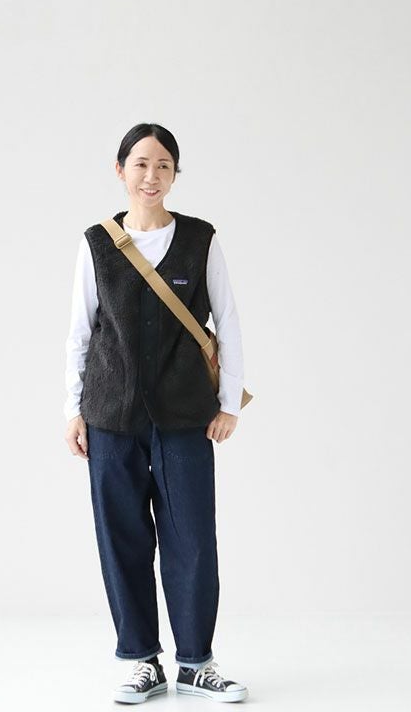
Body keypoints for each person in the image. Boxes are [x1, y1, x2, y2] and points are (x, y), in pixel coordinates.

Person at [63, 122, 249, 704]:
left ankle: (196, 662)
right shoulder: (97, 243)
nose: (152, 175)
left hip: (185, 415)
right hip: (110, 416)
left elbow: (228, 322)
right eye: (140, 164)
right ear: (120, 171)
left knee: (192, 538)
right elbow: (80, 332)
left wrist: (228, 403)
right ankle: (142, 660)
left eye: (163, 165)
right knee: (121, 538)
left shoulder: (200, 239)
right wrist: (73, 410)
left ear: (175, 174)